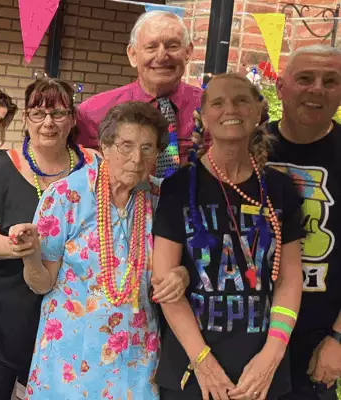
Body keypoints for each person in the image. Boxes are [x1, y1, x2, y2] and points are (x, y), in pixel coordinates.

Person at [153, 73, 304, 400]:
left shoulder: (280, 190)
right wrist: (202, 360)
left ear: (258, 111)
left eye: (241, 100)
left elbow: (290, 280)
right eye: (218, 102)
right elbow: (164, 284)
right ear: (203, 116)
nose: (230, 109)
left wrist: (273, 355)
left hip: (261, 370)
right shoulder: (178, 188)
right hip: (192, 370)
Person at [22, 101, 184, 399]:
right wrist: (30, 256)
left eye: (147, 148)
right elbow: (42, 283)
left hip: (136, 359)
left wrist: (182, 275)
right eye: (126, 145)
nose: (136, 158)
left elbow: (179, 266)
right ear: (105, 146)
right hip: (71, 358)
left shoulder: (164, 200)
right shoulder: (66, 197)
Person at [0, 77, 91, 399]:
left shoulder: (92, 169)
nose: (48, 122)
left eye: (58, 113)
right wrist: (25, 247)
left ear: (72, 119)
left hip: (67, 318)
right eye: (38, 113)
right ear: (26, 120)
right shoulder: (3, 168)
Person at [266, 45, 341, 400]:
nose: (317, 89)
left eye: (331, 81)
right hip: (241, 333)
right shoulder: (247, 146)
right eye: (305, 78)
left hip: (316, 341)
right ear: (281, 87)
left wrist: (339, 339)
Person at [76, 10, 201, 179]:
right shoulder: (93, 112)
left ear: (188, 52)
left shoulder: (212, 108)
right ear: (133, 55)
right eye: (151, 47)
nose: (162, 56)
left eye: (172, 46)